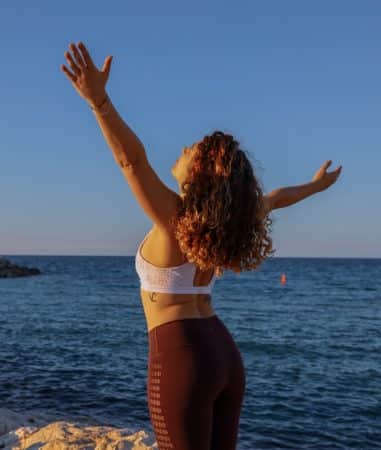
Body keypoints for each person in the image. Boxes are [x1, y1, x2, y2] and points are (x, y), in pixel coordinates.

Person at [61, 42, 342, 450]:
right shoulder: (227, 222)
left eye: (190, 150)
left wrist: (99, 101)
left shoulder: (174, 218)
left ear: (200, 174)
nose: (181, 149)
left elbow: (131, 161)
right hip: (223, 354)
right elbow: (277, 197)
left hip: (183, 357)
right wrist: (316, 187)